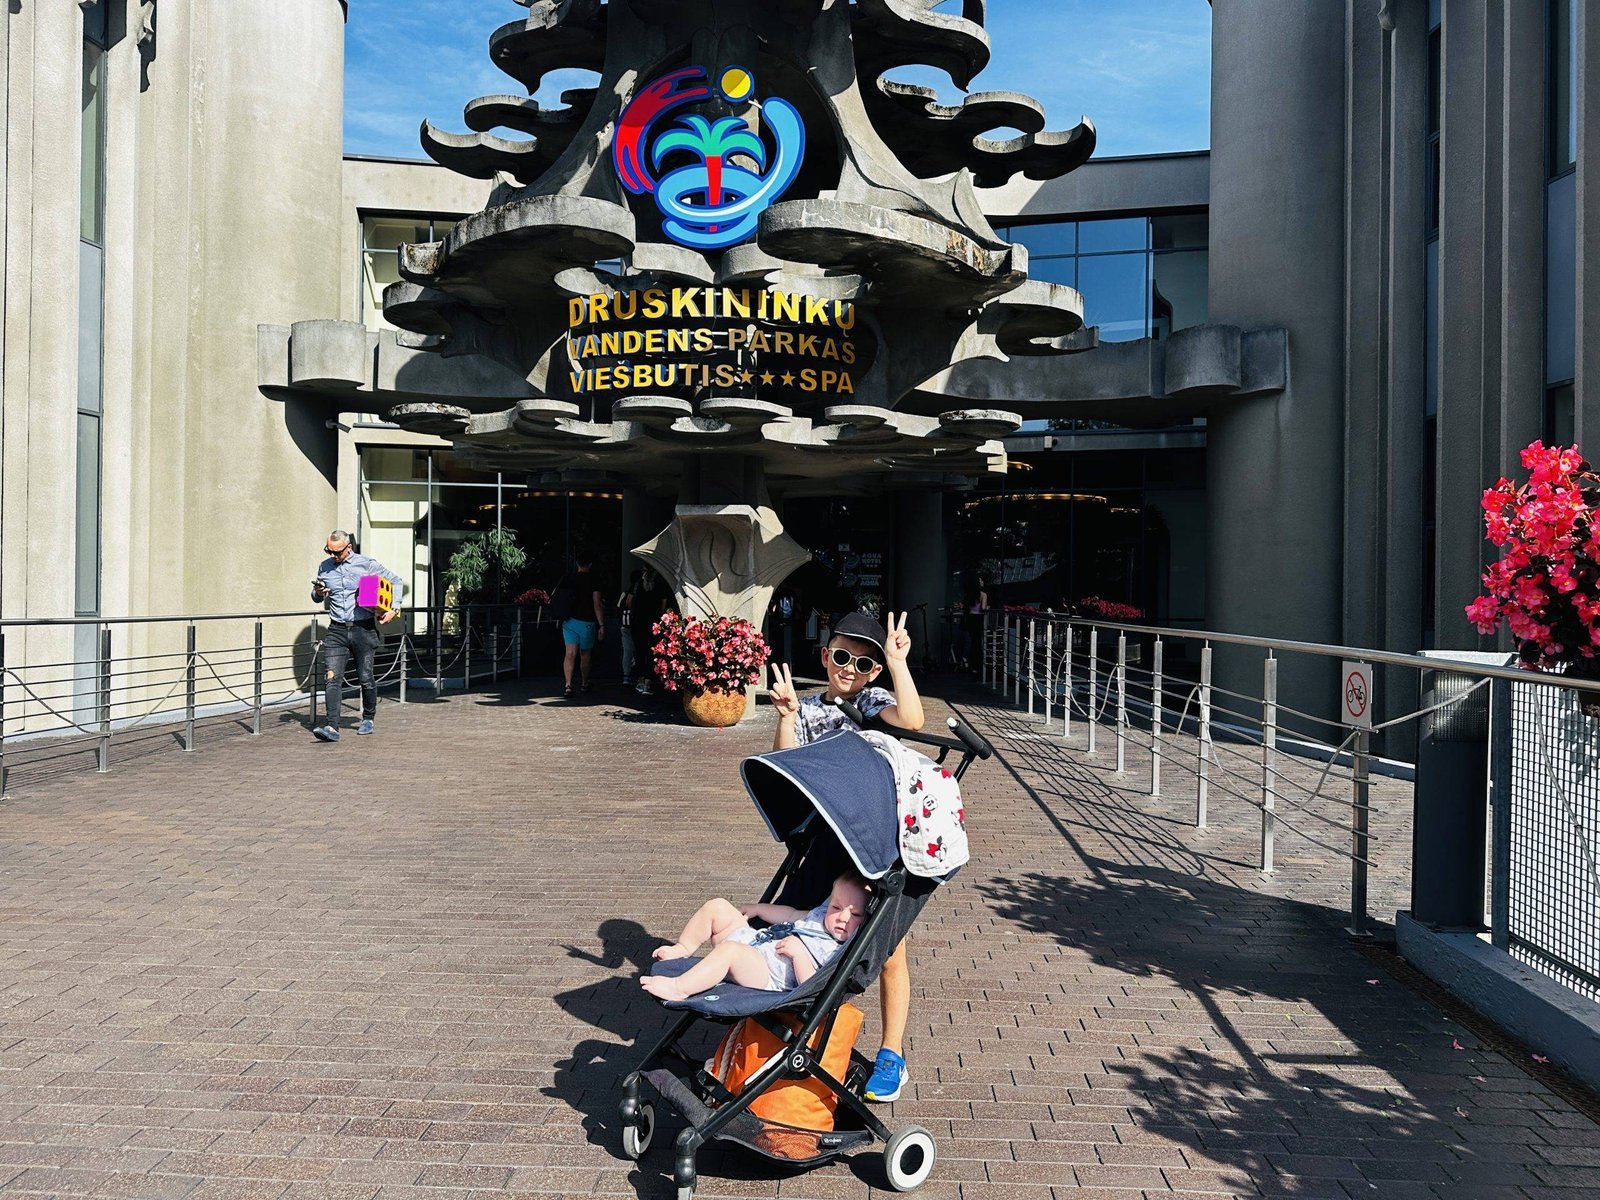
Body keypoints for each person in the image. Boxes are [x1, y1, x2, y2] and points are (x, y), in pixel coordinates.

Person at [767, 611, 924, 1103]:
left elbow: (913, 721)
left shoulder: (873, 701)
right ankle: (800, 1025)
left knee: (888, 951)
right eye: (841, 656)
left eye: (863, 661)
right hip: (824, 841)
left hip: (875, 844)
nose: (849, 668)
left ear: (874, 671)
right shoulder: (811, 708)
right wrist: (788, 718)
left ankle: (892, 1054)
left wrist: (898, 663)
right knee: (810, 930)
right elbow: (786, 767)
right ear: (825, 656)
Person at [640, 872, 870, 1002]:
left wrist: (799, 955)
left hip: (765, 973)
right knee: (717, 907)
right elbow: (789, 914)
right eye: (836, 908)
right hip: (754, 941)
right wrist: (759, 909)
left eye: (855, 914)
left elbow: (812, 986)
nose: (842, 918)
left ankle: (679, 988)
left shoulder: (837, 949)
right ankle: (683, 947)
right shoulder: (819, 916)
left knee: (729, 952)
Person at [310, 530, 404, 742]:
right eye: (329, 551)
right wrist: (318, 592)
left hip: (363, 628)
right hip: (336, 630)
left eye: (337, 552)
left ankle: (368, 718)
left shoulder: (366, 564)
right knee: (332, 678)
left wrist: (394, 609)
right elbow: (316, 598)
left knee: (365, 677)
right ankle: (332, 727)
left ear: (348, 547)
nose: (332, 556)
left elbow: (396, 581)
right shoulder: (324, 567)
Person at [550, 556, 604, 698]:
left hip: (568, 621)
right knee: (585, 654)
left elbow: (556, 597)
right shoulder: (594, 580)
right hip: (587, 621)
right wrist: (601, 624)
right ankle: (584, 683)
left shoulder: (568, 578)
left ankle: (568, 685)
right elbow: (597, 604)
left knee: (570, 654)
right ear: (590, 564)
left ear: (576, 563)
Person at [618, 568, 644, 686]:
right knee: (641, 650)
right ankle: (640, 675)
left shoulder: (627, 591)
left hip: (626, 624)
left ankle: (626, 675)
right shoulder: (643, 591)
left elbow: (619, 607)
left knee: (627, 651)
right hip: (640, 624)